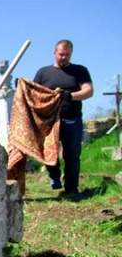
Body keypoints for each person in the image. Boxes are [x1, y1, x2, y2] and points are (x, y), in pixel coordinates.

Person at [33, 39, 93, 200]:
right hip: (49, 121)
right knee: (47, 151)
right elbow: (34, 93)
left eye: (67, 55)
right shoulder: (43, 73)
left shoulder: (79, 71)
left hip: (72, 119)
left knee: (72, 155)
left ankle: (72, 189)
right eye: (61, 54)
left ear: (71, 54)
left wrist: (70, 96)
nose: (64, 57)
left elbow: (88, 91)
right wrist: (22, 87)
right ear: (54, 53)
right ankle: (54, 176)